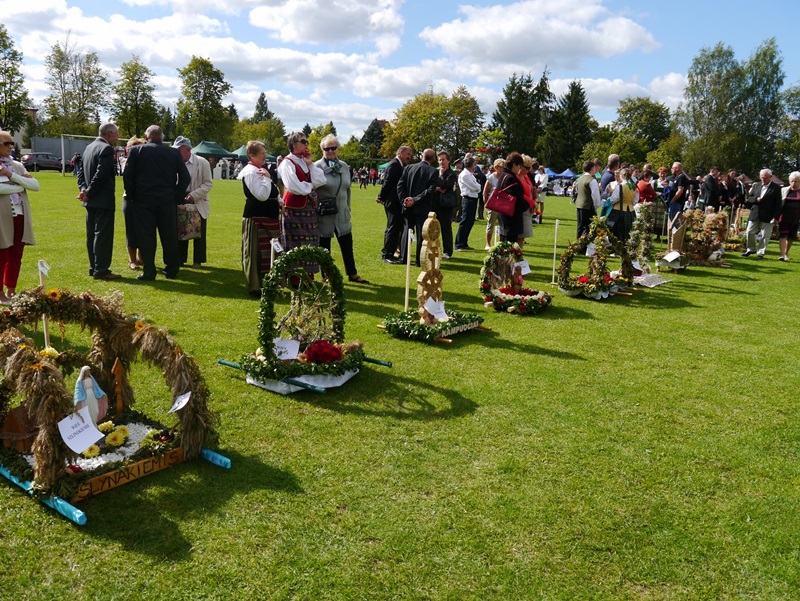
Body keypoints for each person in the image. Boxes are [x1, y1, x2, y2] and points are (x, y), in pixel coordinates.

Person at [123, 124, 190, 281]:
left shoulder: (136, 151)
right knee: (169, 236)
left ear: (147, 138)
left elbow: (128, 176)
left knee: (146, 237)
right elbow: (185, 178)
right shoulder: (173, 153)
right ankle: (172, 269)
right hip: (166, 200)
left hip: (143, 201)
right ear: (162, 137)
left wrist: (132, 196)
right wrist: (176, 196)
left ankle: (149, 271)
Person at [315, 134, 368, 283]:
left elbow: (348, 189)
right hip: (325, 213)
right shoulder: (317, 167)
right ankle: (326, 275)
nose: (331, 151)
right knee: (324, 246)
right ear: (322, 150)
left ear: (338, 149)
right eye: (327, 148)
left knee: (347, 245)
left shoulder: (344, 166)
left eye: (333, 148)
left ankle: (352, 273)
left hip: (342, 213)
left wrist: (348, 208)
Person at [77, 122, 121, 281]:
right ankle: (101, 270)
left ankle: (94, 267)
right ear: (109, 134)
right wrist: (88, 192)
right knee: (103, 235)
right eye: (116, 134)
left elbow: (81, 173)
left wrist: (83, 189)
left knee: (91, 235)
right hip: (102, 200)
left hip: (91, 201)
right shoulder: (106, 149)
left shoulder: (88, 148)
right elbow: (101, 175)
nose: (116, 138)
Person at [277, 131, 326, 274]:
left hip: (309, 208)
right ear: (293, 144)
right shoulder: (287, 163)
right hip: (294, 210)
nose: (306, 144)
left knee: (310, 243)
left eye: (307, 142)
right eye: (303, 141)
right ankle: (294, 277)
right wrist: (310, 186)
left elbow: (321, 180)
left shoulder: (305, 161)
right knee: (295, 245)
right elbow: (294, 186)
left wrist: (310, 164)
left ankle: (308, 276)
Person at [0, 130, 39, 304]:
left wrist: (11, 176)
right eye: (6, 143)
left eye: (11, 143)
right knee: (2, 253)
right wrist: (20, 185)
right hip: (2, 216)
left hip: (20, 214)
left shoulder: (16, 165)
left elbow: (35, 186)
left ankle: (11, 290)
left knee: (16, 255)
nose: (10, 146)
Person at [239, 140, 281, 295]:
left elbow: (274, 192)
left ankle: (271, 283)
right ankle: (256, 286)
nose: (265, 155)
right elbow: (262, 196)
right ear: (252, 155)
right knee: (256, 253)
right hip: (256, 218)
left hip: (269, 217)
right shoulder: (250, 172)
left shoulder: (261, 170)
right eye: (262, 153)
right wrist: (268, 178)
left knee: (272, 251)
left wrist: (280, 201)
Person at [172, 136, 213, 268]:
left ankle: (198, 260)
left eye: (179, 150)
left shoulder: (202, 162)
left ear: (188, 149)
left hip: (198, 199)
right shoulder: (174, 161)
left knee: (199, 231)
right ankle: (180, 258)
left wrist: (193, 195)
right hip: (179, 198)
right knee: (180, 229)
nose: (176, 152)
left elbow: (208, 184)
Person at [398, 148, 440, 266]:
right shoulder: (433, 171)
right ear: (433, 159)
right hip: (422, 206)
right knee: (422, 234)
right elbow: (430, 190)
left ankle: (403, 257)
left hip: (408, 206)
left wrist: (405, 200)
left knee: (407, 231)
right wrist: (415, 200)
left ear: (422, 156)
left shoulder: (408, 168)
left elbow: (400, 185)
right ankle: (419, 260)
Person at [377, 146, 412, 264]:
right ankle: (387, 254)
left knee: (395, 227)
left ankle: (391, 251)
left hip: (396, 202)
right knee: (392, 227)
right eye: (408, 154)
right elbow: (387, 183)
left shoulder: (400, 165)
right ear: (401, 153)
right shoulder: (394, 165)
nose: (409, 157)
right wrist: (380, 196)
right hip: (392, 202)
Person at [742, 168, 782, 259]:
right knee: (749, 231)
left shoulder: (776, 188)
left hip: (768, 215)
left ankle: (760, 252)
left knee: (765, 235)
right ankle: (751, 249)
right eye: (761, 177)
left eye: (765, 177)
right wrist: (756, 199)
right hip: (755, 213)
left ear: (770, 177)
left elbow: (778, 204)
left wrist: (775, 217)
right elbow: (749, 199)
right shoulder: (756, 185)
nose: (763, 179)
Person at [123, 137, 145, 270]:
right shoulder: (125, 161)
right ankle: (132, 260)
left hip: (145, 199)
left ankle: (141, 257)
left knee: (144, 230)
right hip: (129, 199)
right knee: (131, 230)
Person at [496, 153, 528, 243]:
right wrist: (526, 205)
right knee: (509, 244)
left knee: (505, 244)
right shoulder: (510, 178)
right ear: (514, 165)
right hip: (510, 217)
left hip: (504, 215)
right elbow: (516, 198)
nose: (520, 169)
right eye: (519, 166)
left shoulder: (503, 175)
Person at [454, 156, 482, 251]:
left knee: (470, 222)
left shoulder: (470, 174)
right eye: (474, 163)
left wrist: (478, 187)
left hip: (473, 199)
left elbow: (478, 186)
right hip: (467, 199)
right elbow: (475, 187)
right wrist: (478, 187)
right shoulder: (465, 174)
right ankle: (459, 244)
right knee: (465, 221)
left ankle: (464, 242)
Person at [434, 151, 459, 258]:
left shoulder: (452, 174)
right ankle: (433, 250)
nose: (441, 162)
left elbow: (445, 185)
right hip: (434, 204)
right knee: (433, 228)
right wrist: (437, 188)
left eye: (443, 160)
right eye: (440, 160)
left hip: (445, 205)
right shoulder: (435, 172)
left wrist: (439, 183)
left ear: (448, 161)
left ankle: (447, 252)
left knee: (446, 229)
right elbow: (432, 185)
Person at [575, 159, 601, 238]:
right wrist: (596, 206)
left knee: (580, 227)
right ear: (592, 168)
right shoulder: (592, 180)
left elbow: (577, 190)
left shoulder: (580, 178)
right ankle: (584, 247)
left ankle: (577, 246)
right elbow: (595, 196)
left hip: (579, 205)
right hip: (588, 207)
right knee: (587, 228)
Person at [482, 159, 504, 250]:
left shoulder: (505, 177)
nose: (504, 169)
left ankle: (502, 243)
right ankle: (488, 243)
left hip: (503, 205)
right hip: (492, 205)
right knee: (491, 224)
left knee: (503, 224)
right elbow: (485, 192)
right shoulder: (491, 177)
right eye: (502, 167)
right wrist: (486, 204)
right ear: (496, 167)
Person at [779, 171, 800, 261]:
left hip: (796, 217)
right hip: (784, 216)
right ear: (789, 181)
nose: (793, 183)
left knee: (791, 236)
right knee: (783, 235)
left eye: (796, 181)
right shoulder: (784, 190)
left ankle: (786, 253)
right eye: (792, 181)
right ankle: (782, 255)